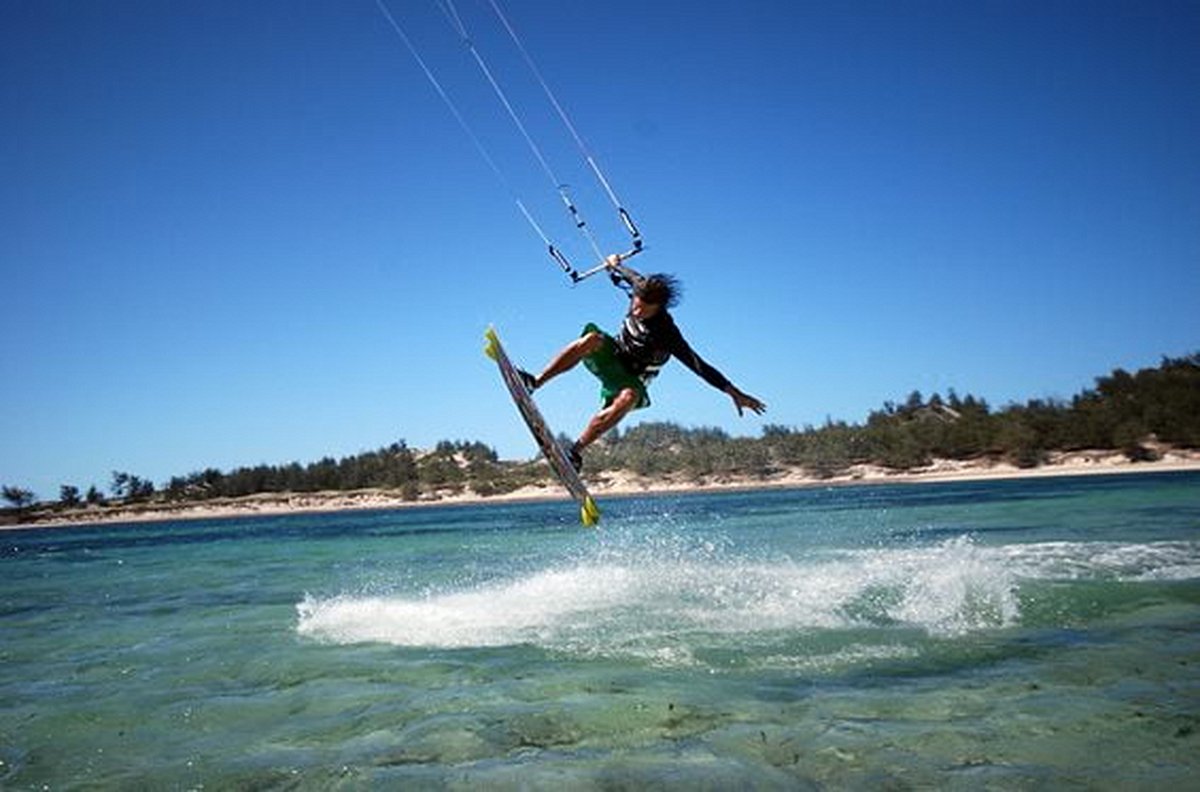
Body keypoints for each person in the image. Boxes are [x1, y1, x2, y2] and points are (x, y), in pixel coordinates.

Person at [519, 255, 767, 471]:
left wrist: (733, 392)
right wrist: (616, 264)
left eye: (643, 309)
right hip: (613, 355)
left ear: (658, 307)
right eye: (634, 305)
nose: (636, 311)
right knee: (591, 339)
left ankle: (574, 452)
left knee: (627, 398)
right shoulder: (640, 288)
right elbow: (630, 275)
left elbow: (699, 366)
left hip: (633, 378)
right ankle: (535, 382)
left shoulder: (666, 333)